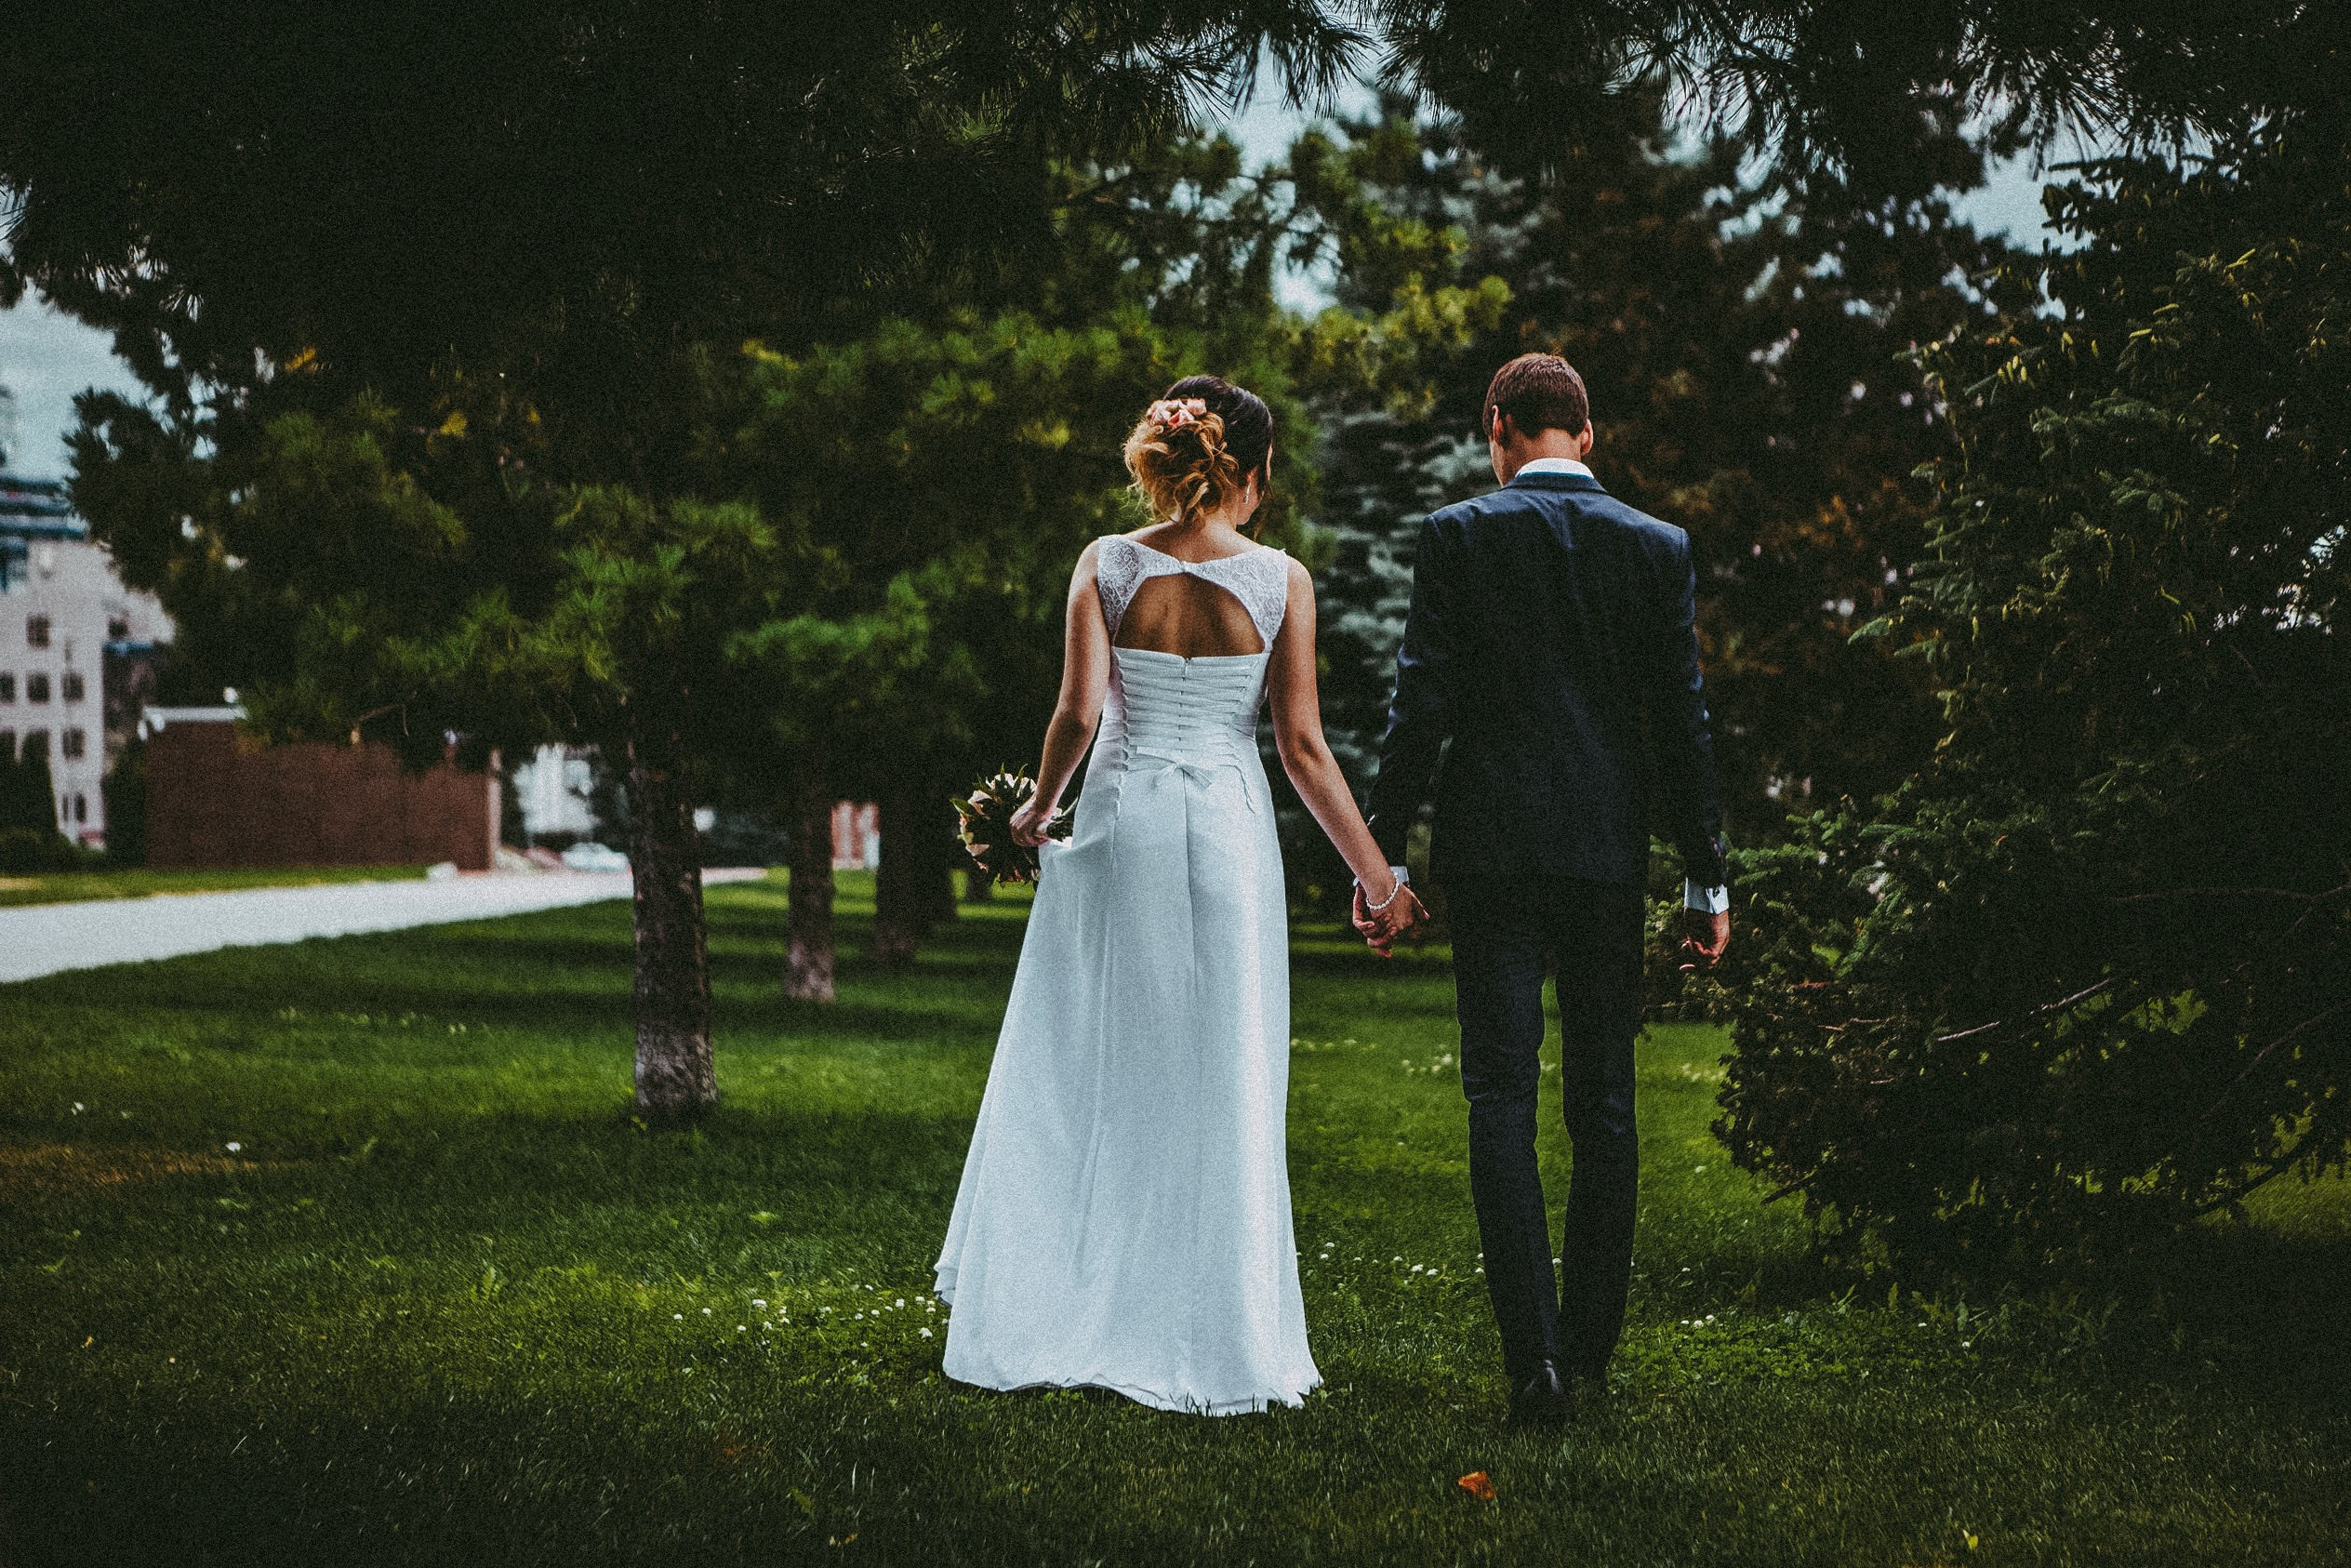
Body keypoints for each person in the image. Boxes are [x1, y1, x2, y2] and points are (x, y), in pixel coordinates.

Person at [933, 375, 1426, 1414]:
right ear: (1247, 473)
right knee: (1222, 1069)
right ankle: (1217, 1332)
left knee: (1095, 1063)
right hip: (1228, 832)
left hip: (1119, 822)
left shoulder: (1106, 565)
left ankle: (1068, 1304)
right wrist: (1376, 880)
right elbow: (1299, 747)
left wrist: (1036, 813)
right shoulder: (1280, 580)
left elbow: (1074, 715)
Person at [1360, 352, 1730, 1425]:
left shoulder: (1457, 537)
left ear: (1498, 427)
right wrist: (1705, 873)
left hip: (1491, 855)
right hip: (1606, 861)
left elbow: (1418, 705)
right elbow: (1681, 722)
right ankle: (1589, 1346)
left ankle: (1535, 1362)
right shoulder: (1658, 549)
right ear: (1586, 434)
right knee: (1603, 1103)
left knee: (1499, 1098)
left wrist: (1376, 858)